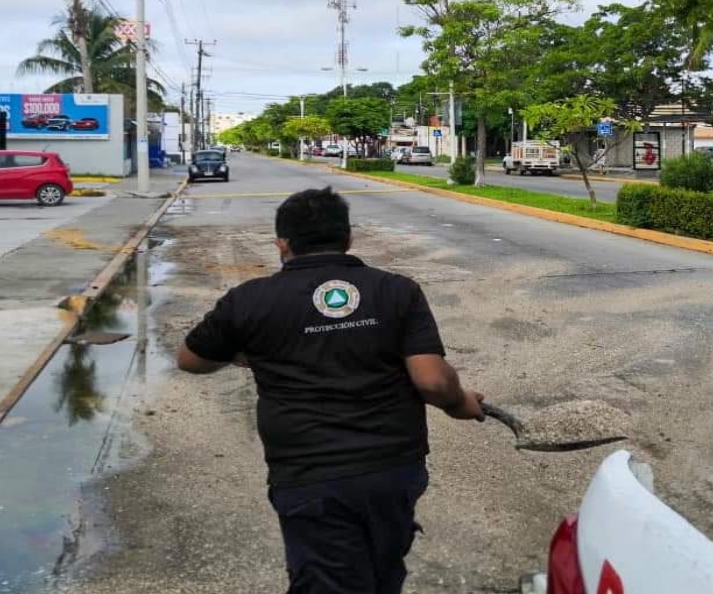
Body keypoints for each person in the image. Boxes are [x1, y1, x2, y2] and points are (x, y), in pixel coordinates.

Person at [176, 187, 484, 594]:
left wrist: (238, 355)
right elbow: (432, 379)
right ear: (348, 238)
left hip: (309, 476)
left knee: (327, 580)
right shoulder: (396, 290)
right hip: (392, 470)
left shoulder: (249, 301)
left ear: (282, 245)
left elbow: (190, 359)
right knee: (382, 572)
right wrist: (461, 403)